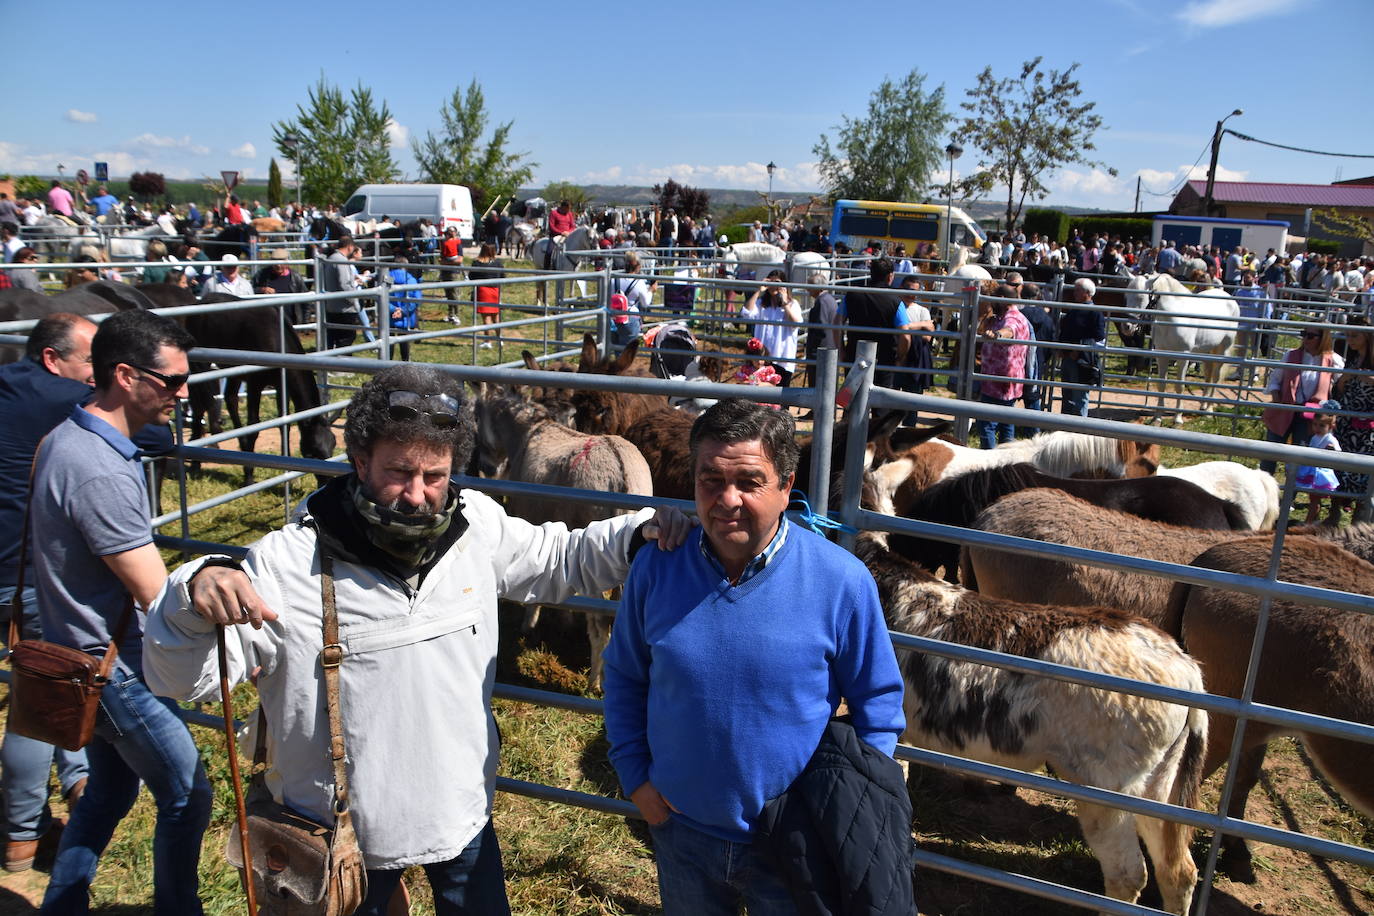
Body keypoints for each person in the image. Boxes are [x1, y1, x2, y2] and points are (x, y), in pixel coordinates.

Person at [142, 364, 690, 916]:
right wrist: (190, 595)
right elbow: (183, 677)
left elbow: (553, 558)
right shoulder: (288, 566)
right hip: (342, 835)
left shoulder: (474, 523)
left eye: (435, 475)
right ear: (359, 461)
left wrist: (635, 533)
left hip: (459, 808)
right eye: (398, 472)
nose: (417, 495)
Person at [602, 398, 906, 916]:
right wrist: (637, 780)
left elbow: (878, 701)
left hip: (793, 840)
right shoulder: (656, 569)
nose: (727, 500)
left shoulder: (841, 581)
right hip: (681, 829)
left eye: (749, 481)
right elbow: (626, 676)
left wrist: (856, 808)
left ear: (787, 487)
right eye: (710, 481)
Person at [29, 310, 211, 914]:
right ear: (126, 375)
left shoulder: (69, 437)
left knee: (107, 791)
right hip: (111, 670)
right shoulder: (99, 469)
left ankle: (63, 903)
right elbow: (155, 591)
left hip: (80, 654)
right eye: (172, 381)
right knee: (188, 792)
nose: (183, 394)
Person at [0, 315, 99, 873]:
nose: (96, 375)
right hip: (27, 572)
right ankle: (22, 834)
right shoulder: (59, 398)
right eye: (89, 363)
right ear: (52, 359)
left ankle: (79, 778)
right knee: (38, 698)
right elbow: (153, 433)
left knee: (55, 679)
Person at [1259, 326, 1343, 474]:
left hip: (1310, 416)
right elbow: (1275, 380)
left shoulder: (1333, 360)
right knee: (1269, 454)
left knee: (1298, 458)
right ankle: (1263, 490)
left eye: (1310, 336)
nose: (1305, 339)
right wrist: (1276, 397)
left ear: (1323, 338)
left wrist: (1330, 408)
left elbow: (1341, 386)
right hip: (1284, 409)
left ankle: (1289, 495)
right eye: (1303, 334)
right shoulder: (1291, 355)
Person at [837, 258, 914, 390]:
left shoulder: (852, 295)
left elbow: (836, 324)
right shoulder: (896, 301)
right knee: (881, 402)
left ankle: (848, 411)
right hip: (884, 359)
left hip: (855, 355)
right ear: (890, 276)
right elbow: (906, 336)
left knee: (850, 398)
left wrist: (841, 350)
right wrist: (900, 358)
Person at [975, 284, 1032, 448]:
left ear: (1001, 299)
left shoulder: (1012, 318)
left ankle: (990, 460)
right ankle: (1005, 460)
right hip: (1005, 378)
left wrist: (998, 334)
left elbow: (1009, 330)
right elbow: (981, 328)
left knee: (986, 423)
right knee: (1006, 422)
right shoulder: (1002, 317)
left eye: (993, 298)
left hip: (998, 380)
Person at [1333, 321, 1374, 522]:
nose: (1349, 340)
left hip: (1367, 426)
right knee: (1339, 465)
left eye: (1354, 336)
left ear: (1366, 336)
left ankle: (1359, 516)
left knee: (1362, 471)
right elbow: (1340, 390)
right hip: (1347, 422)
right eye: (1347, 336)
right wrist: (1344, 379)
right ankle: (1334, 512)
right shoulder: (1352, 358)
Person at [740, 270, 802, 388]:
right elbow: (746, 313)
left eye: (777, 282)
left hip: (782, 359)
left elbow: (796, 323)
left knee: (781, 397)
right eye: (770, 282)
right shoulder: (761, 304)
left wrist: (785, 303)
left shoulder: (792, 304)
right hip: (762, 360)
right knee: (759, 394)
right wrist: (758, 291)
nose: (774, 285)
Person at [1058, 278, 1106, 416]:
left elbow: (1099, 337)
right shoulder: (1074, 310)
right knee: (1067, 393)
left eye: (1078, 290)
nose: (1074, 293)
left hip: (1082, 360)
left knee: (1080, 395)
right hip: (1068, 357)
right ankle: (1065, 426)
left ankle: (1078, 429)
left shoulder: (1094, 312)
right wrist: (1062, 348)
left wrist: (1080, 350)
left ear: (1088, 293)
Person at [1295, 406, 1341, 523]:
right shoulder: (1315, 437)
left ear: (1330, 427)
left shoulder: (1330, 439)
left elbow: (1338, 453)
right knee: (1313, 499)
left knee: (1315, 500)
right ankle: (1313, 521)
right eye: (1315, 424)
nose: (1317, 428)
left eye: (1322, 425)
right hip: (1312, 470)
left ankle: (1308, 522)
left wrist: (1332, 450)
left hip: (1322, 474)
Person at [322, 235, 363, 350]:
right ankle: (343, 365)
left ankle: (332, 364)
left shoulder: (331, 258)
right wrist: (354, 300)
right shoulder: (342, 261)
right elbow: (344, 284)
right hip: (344, 308)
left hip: (332, 305)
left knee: (334, 337)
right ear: (350, 247)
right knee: (346, 339)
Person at [467, 243, 505, 347]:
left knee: (486, 317)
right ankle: (500, 339)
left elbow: (471, 277)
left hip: (483, 291)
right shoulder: (498, 263)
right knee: (496, 316)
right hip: (495, 290)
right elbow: (503, 276)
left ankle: (488, 341)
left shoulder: (476, 263)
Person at [386, 253, 420, 360]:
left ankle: (387, 362)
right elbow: (416, 299)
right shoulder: (411, 280)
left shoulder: (388, 278)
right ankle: (405, 361)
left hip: (389, 316)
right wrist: (403, 311)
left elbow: (383, 296)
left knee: (389, 340)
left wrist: (393, 309)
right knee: (404, 340)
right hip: (406, 317)